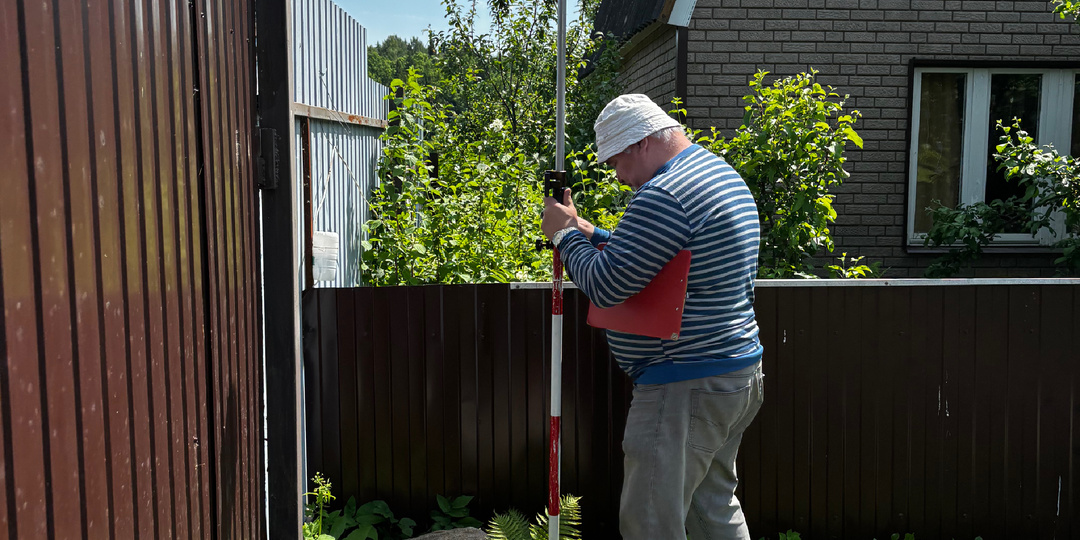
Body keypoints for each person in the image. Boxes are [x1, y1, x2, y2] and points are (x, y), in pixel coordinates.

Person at [541, 94, 765, 540]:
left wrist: (563, 235)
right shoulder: (715, 174)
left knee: (649, 523)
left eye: (616, 163)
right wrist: (590, 232)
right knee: (710, 512)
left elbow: (605, 284)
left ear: (639, 144)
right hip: (732, 375)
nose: (620, 177)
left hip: (684, 386)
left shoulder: (665, 193)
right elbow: (661, 258)